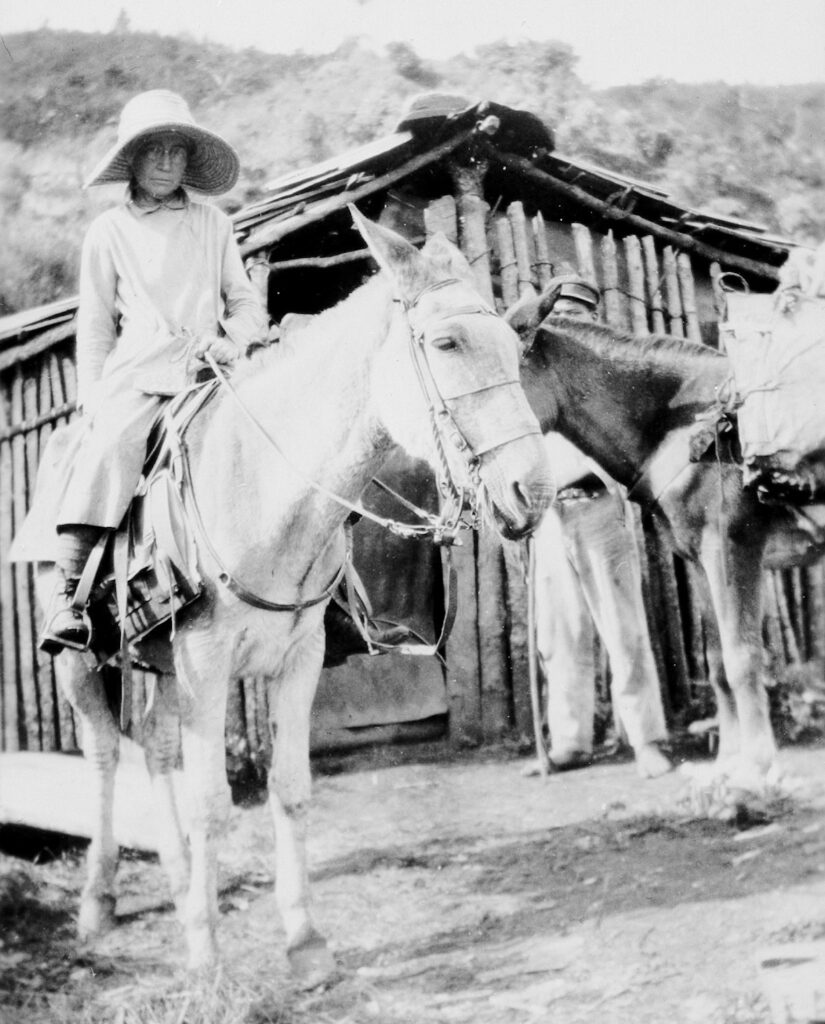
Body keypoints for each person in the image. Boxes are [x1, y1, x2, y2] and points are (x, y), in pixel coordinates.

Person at [40, 89, 268, 652]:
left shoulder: (214, 224)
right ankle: (71, 594)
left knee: (276, 432)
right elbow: (96, 324)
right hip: (139, 374)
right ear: (133, 159)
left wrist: (230, 340)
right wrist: (93, 397)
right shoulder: (108, 231)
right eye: (154, 150)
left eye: (177, 151)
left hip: (210, 370)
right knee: (110, 443)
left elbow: (244, 302)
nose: (167, 162)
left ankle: (323, 593)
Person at [530, 275, 673, 779]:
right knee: (559, 632)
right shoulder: (535, 377)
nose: (568, 324)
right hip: (549, 515)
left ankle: (647, 741)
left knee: (622, 628)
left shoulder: (609, 383)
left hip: (597, 506)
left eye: (577, 315)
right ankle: (570, 743)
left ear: (593, 321)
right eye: (560, 316)